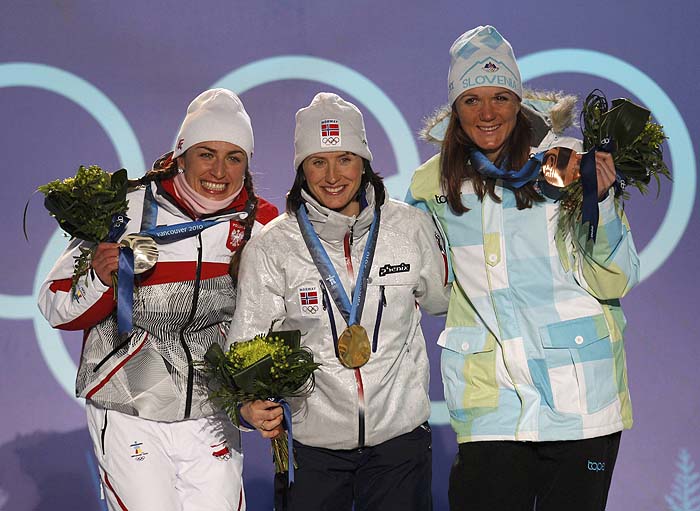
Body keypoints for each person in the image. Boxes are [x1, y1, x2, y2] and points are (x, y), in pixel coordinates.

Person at [406, 26, 640, 511]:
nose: (487, 113)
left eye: (499, 97)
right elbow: (416, 273)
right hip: (491, 403)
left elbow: (614, 278)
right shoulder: (431, 185)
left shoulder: (567, 166)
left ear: (518, 101)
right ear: (455, 108)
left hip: (578, 398)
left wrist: (605, 205)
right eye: (471, 99)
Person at [38, 88, 278, 511]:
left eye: (234, 157)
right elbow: (55, 302)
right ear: (181, 155)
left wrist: (253, 394)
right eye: (207, 153)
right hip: (129, 404)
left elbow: (269, 319)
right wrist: (98, 277)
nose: (219, 170)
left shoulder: (262, 223)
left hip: (211, 408)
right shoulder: (122, 209)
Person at [227, 92, 449, 511]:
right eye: (318, 161)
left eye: (344, 159)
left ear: (363, 162)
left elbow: (444, 300)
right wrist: (246, 406)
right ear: (301, 170)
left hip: (399, 445)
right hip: (312, 449)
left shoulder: (409, 227)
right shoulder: (273, 246)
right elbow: (244, 347)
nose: (332, 175)